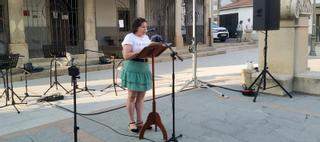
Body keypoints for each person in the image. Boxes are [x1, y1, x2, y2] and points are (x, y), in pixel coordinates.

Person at [121, 17, 152, 133]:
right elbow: (126, 55)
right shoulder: (130, 37)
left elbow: (150, 52)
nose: (145, 29)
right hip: (133, 68)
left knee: (141, 97)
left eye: (146, 27)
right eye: (143, 27)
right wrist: (139, 52)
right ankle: (131, 122)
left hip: (144, 68)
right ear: (136, 27)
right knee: (132, 96)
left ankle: (140, 121)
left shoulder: (146, 38)